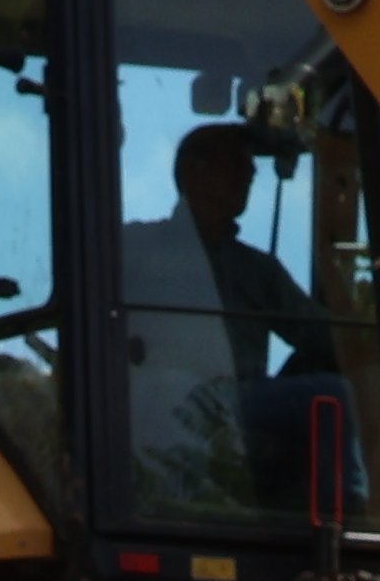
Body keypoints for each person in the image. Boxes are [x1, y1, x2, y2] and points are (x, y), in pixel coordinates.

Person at [109, 124, 340, 518]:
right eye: (237, 162)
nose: (250, 174)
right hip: (159, 407)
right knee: (334, 395)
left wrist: (348, 296)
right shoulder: (134, 248)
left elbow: (329, 339)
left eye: (250, 166)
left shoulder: (257, 269)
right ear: (193, 172)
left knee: (330, 379)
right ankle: (350, 513)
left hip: (239, 405)